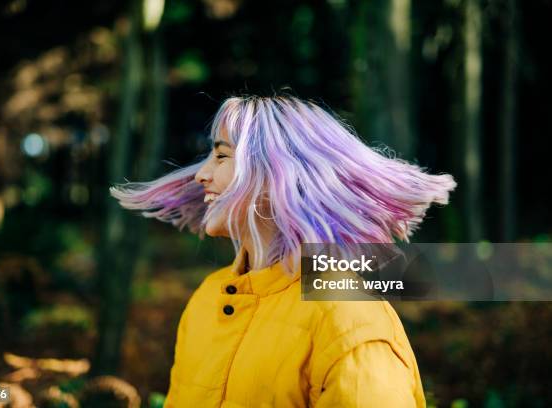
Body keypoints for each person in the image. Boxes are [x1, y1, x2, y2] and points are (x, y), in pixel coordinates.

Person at [110, 95, 456, 407]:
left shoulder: (348, 315)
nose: (202, 174)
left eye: (221, 155)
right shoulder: (207, 300)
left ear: (276, 175)